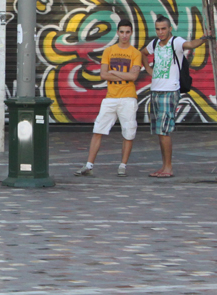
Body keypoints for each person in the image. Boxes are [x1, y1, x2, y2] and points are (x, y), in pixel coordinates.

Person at [141, 15, 211, 178]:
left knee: (164, 131)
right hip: (156, 90)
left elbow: (191, 44)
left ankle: (168, 168)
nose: (160, 32)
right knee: (160, 131)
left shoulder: (176, 42)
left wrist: (203, 38)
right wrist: (149, 70)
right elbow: (142, 53)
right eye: (158, 29)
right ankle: (164, 166)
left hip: (170, 91)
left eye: (163, 29)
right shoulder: (154, 43)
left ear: (170, 28)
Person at [75, 19, 142, 178]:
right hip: (110, 97)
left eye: (127, 32)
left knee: (128, 132)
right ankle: (89, 165)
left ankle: (122, 165)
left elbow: (133, 76)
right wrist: (120, 75)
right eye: (122, 32)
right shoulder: (109, 51)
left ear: (131, 33)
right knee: (98, 129)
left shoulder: (135, 53)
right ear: (117, 32)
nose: (124, 35)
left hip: (128, 97)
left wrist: (114, 73)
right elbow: (103, 74)